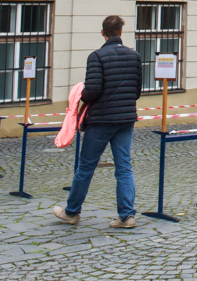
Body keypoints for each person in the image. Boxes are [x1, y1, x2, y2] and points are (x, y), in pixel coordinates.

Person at [53, 15, 142, 229]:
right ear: (121, 32)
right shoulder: (134, 56)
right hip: (125, 119)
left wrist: (79, 93)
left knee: (86, 167)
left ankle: (72, 212)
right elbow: (137, 92)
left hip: (101, 120)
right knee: (124, 167)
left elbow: (92, 91)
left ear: (103, 33)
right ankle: (127, 215)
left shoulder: (97, 57)